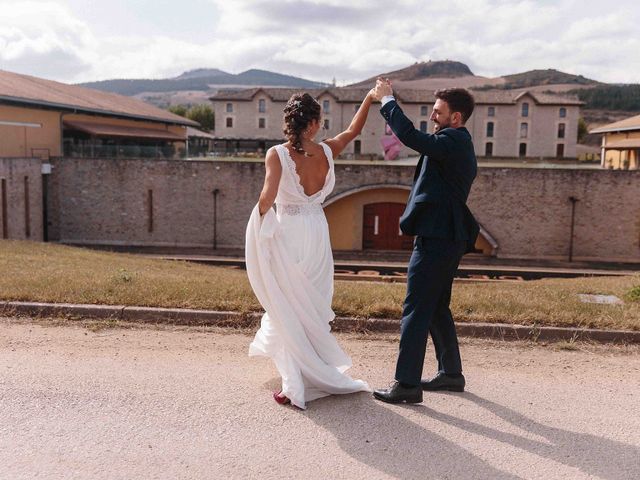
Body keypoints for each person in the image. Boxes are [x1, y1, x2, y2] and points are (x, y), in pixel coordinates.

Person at [245, 91, 374, 409]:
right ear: (314, 124)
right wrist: (370, 97)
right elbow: (353, 131)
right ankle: (308, 370)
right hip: (317, 231)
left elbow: (267, 197)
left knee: (287, 302)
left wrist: (258, 226)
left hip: (288, 232)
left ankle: (295, 382)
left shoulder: (277, 154)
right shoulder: (328, 151)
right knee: (310, 303)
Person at [370, 79, 480, 404]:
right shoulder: (454, 141)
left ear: (455, 117)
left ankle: (406, 383)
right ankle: (451, 374)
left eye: (437, 112)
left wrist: (388, 100)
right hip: (447, 234)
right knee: (435, 307)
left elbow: (409, 137)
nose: (433, 117)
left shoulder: (452, 141)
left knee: (415, 308)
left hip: (437, 236)